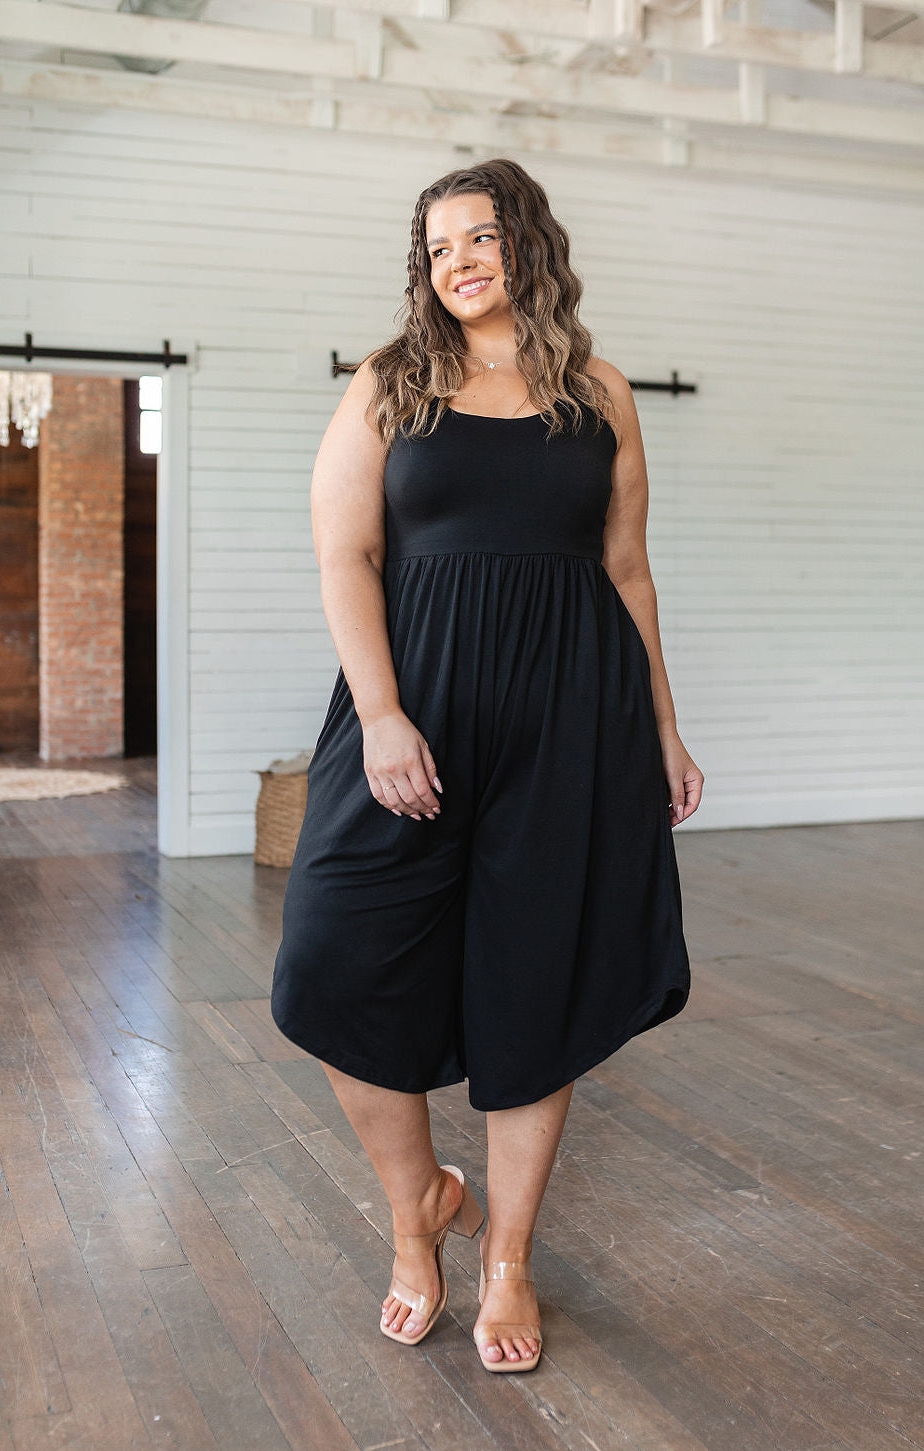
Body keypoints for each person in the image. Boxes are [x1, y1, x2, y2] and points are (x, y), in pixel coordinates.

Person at [270, 157, 703, 1373]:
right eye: (437, 247)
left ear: (528, 243)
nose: (457, 261)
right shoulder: (390, 381)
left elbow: (627, 571)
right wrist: (382, 713)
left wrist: (662, 728)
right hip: (414, 715)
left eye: (479, 236)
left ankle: (506, 1257)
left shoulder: (598, 392)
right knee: (331, 955)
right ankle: (419, 1208)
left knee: (537, 983)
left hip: (574, 720)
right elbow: (345, 556)